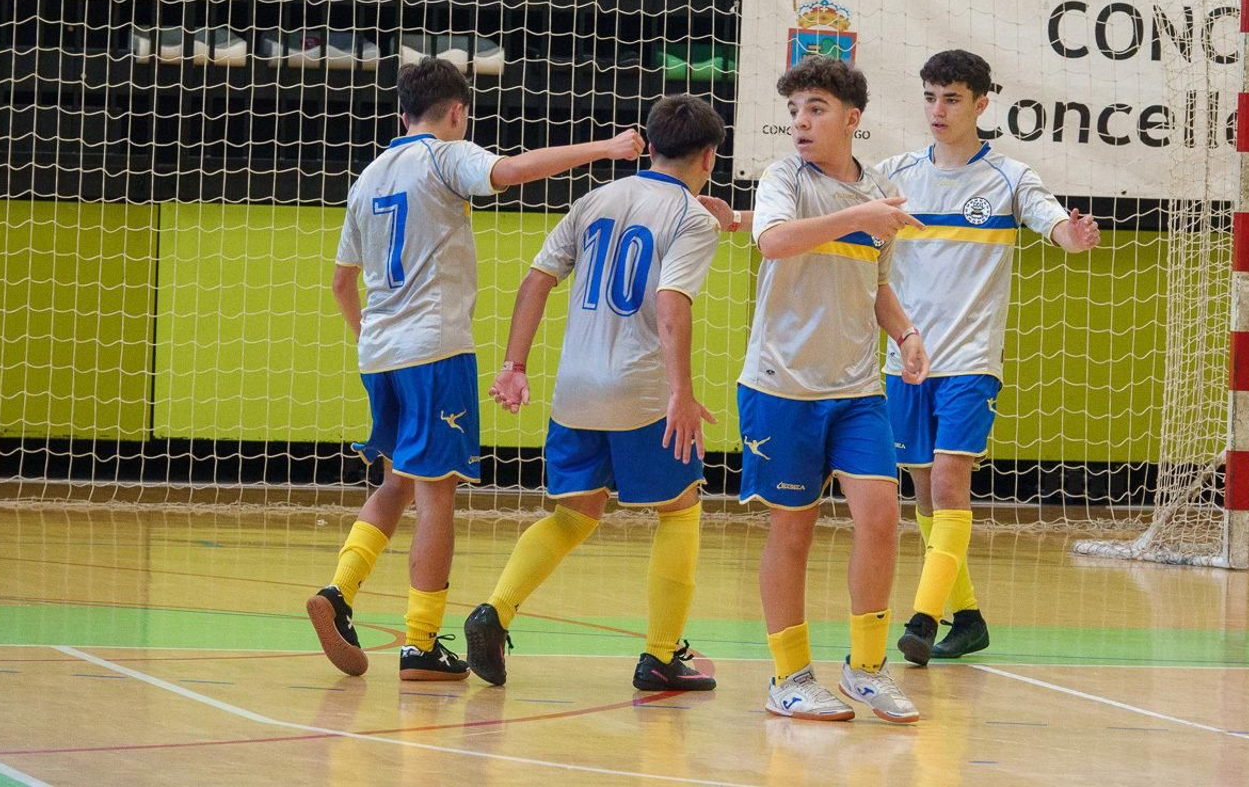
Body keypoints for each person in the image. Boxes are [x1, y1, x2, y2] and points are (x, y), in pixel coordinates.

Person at [307, 57, 644, 681]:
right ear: (457, 111)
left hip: (380, 355)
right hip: (435, 352)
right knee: (438, 497)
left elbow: (340, 284)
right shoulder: (443, 156)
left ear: (399, 111)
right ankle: (420, 642)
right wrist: (608, 145)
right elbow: (510, 171)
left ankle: (338, 592)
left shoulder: (368, 176)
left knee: (396, 483)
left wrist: (373, 339)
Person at [463, 93, 730, 692]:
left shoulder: (595, 199)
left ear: (651, 146)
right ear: (709, 156)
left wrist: (513, 364)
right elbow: (670, 303)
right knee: (681, 509)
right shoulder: (691, 219)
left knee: (575, 512)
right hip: (639, 391)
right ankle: (661, 656)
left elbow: (537, 280)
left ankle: (496, 611)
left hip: (574, 387)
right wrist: (681, 392)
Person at [876, 49, 1099, 665]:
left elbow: (1052, 222)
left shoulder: (1009, 177)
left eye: (950, 98)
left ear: (981, 103)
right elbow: (834, 219)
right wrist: (742, 218)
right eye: (929, 96)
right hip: (908, 361)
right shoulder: (895, 174)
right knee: (924, 497)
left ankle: (922, 618)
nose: (937, 110)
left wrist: (1071, 237)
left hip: (971, 361)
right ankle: (967, 619)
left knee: (949, 484)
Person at [732, 55, 929, 724]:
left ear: (852, 118)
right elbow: (775, 243)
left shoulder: (876, 192)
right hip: (780, 385)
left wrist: (905, 335)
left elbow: (876, 286)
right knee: (795, 530)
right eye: (794, 110)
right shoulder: (785, 176)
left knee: (881, 516)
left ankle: (866, 668)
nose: (800, 122)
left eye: (814, 108)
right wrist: (861, 215)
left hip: (857, 387)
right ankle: (789, 676)